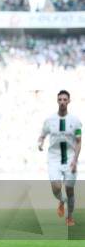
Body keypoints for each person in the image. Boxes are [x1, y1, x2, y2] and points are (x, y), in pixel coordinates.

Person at [38, 90, 81, 226]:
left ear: (68, 101)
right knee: (56, 187)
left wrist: (75, 160)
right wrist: (40, 142)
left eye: (64, 99)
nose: (62, 102)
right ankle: (62, 200)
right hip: (54, 159)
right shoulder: (49, 120)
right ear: (57, 101)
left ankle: (70, 217)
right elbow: (43, 134)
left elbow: (79, 141)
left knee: (69, 189)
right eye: (60, 99)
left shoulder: (75, 121)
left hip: (70, 159)